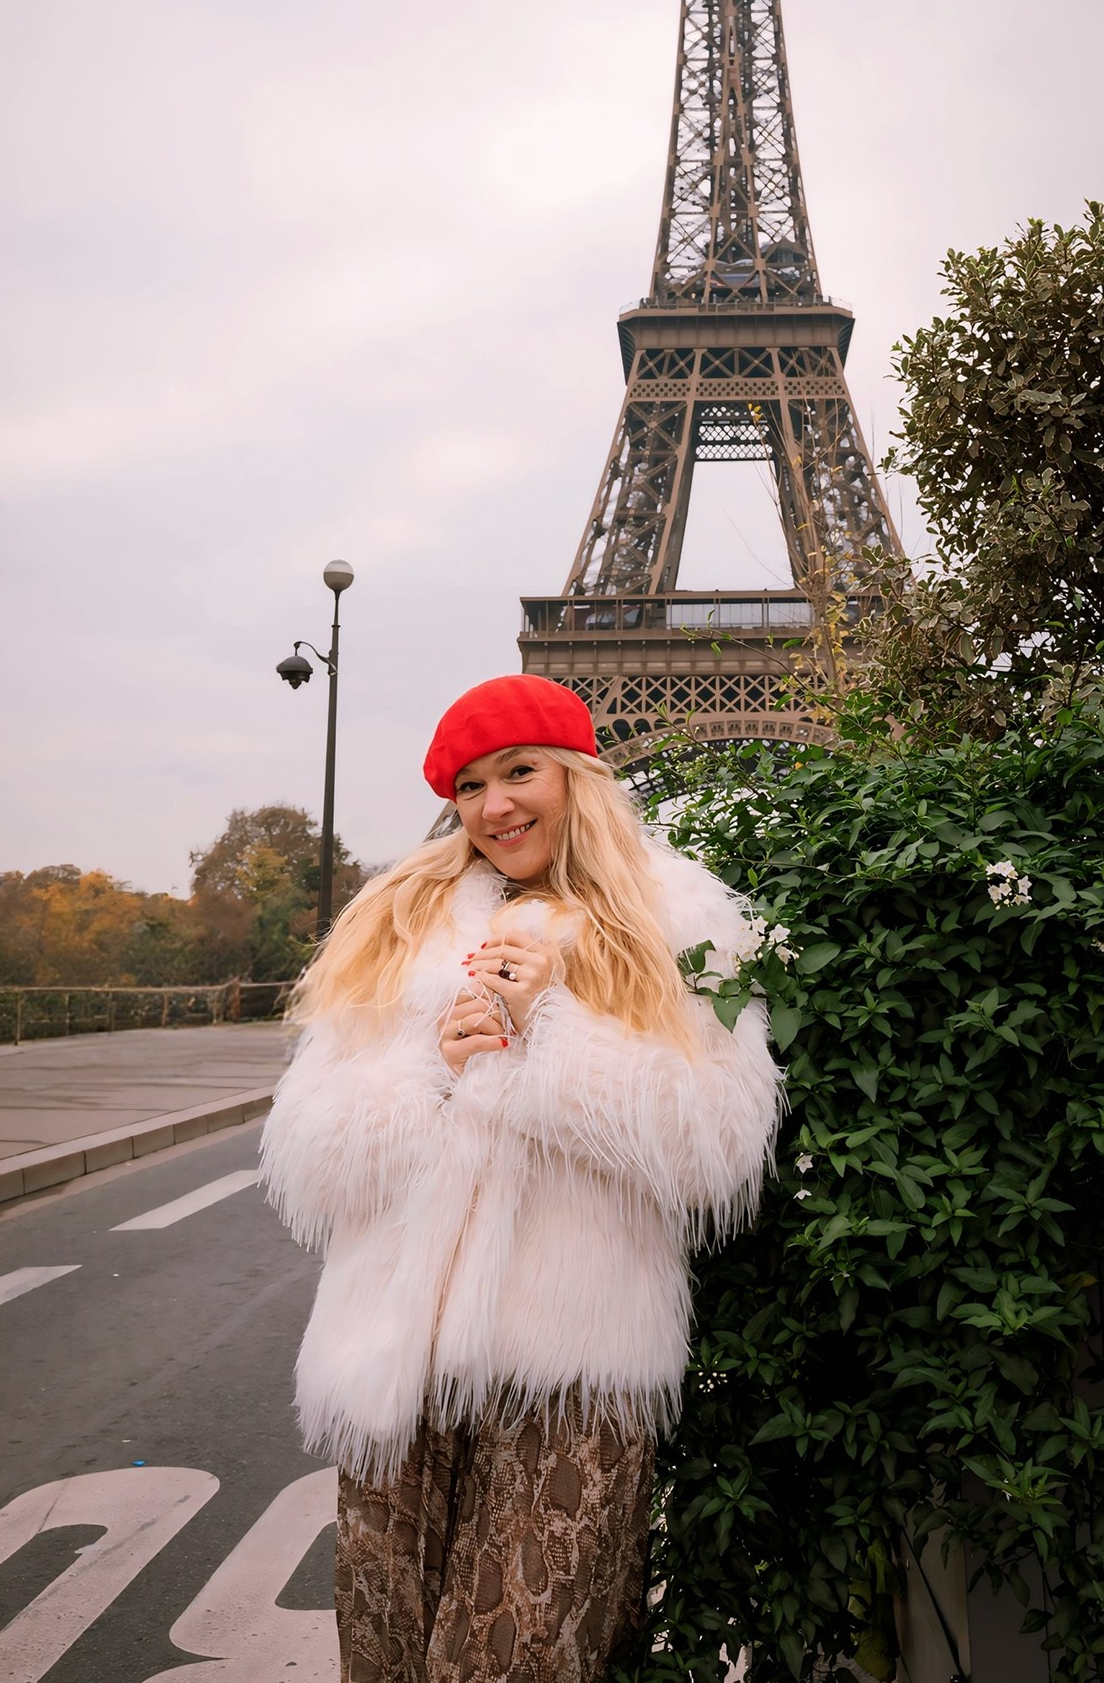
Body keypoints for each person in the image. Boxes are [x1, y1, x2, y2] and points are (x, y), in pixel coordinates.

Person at [261, 675, 781, 1683]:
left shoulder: (677, 923)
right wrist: (432, 1073)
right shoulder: (396, 929)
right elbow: (309, 1155)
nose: (494, 805)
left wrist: (555, 1029)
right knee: (389, 1660)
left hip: (572, 1369)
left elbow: (717, 1145)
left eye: (517, 772)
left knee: (514, 1662)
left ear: (577, 776)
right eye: (468, 786)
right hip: (395, 1369)